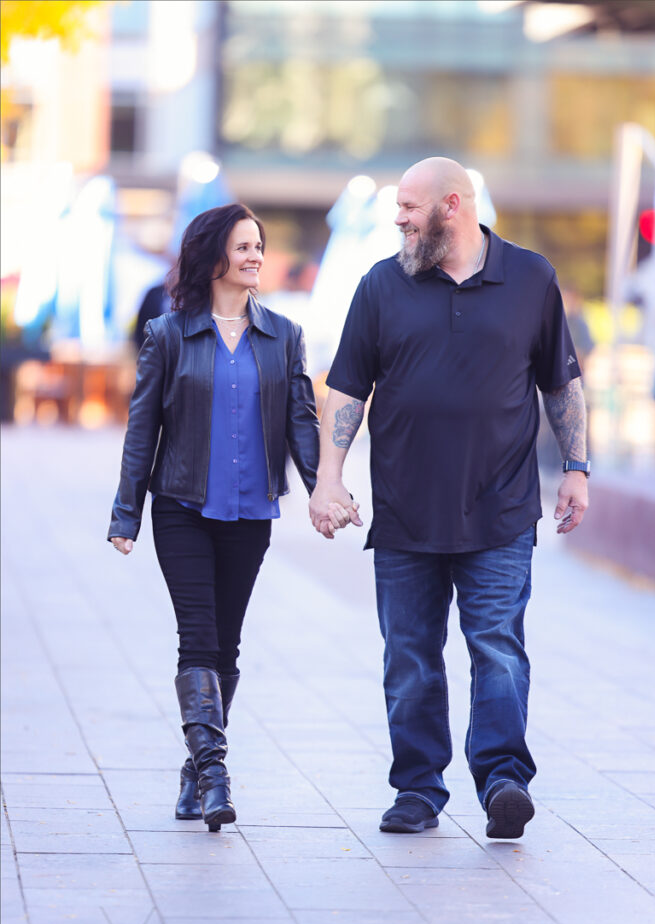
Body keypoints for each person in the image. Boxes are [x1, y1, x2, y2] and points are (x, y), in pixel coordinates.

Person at [309, 157, 589, 840]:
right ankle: (416, 790)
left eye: (408, 205)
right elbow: (347, 388)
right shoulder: (381, 284)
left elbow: (560, 382)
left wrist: (577, 466)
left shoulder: (529, 279)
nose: (397, 217)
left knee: (496, 649)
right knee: (408, 658)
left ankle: (502, 782)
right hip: (405, 512)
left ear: (452, 206)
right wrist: (327, 475)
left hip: (499, 510)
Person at [109, 204, 319, 832]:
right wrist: (127, 513)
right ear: (213, 256)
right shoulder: (168, 334)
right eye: (244, 246)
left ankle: (192, 771)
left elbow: (302, 424)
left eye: (260, 245)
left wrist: (322, 491)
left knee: (226, 646)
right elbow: (142, 430)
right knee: (198, 638)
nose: (256, 255)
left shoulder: (284, 334)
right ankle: (216, 774)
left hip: (252, 512)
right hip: (182, 507)